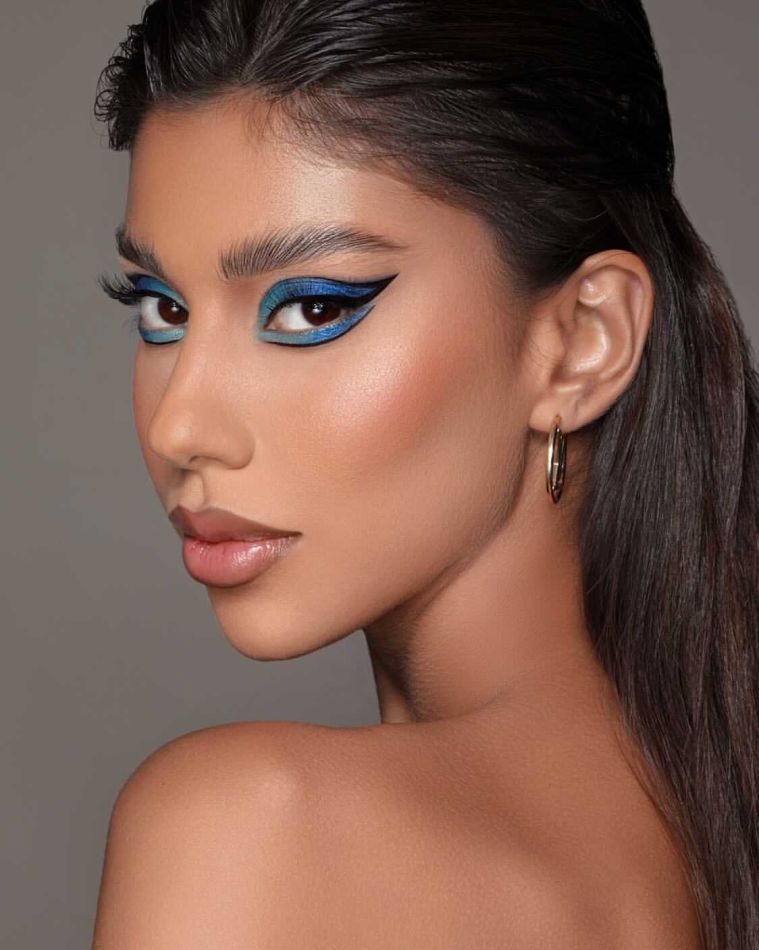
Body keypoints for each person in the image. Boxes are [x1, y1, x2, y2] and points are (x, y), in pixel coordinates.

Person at [90, 1, 758, 946]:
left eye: (311, 308)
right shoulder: (701, 842)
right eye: (162, 308)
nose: (180, 426)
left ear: (582, 343)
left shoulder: (254, 830)